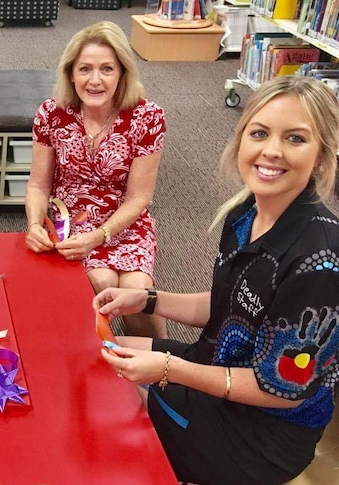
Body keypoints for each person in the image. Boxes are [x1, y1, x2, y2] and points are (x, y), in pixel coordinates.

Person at [94, 75, 339, 485]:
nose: (271, 151)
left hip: (257, 435)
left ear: (321, 155)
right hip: (218, 367)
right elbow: (234, 306)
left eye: (295, 139)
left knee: (103, 408)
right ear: (242, 139)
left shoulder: (321, 262)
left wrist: (169, 368)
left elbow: (276, 388)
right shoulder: (245, 212)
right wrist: (147, 300)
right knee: (94, 354)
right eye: (259, 133)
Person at [24, 21, 167, 338]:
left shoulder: (148, 116)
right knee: (101, 279)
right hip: (73, 219)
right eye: (85, 69)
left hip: (125, 221)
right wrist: (35, 224)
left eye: (107, 69)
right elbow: (38, 185)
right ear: (70, 73)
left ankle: (163, 369)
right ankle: (91, 360)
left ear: (122, 73)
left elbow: (138, 198)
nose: (95, 80)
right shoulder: (52, 113)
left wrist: (101, 235)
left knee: (137, 292)